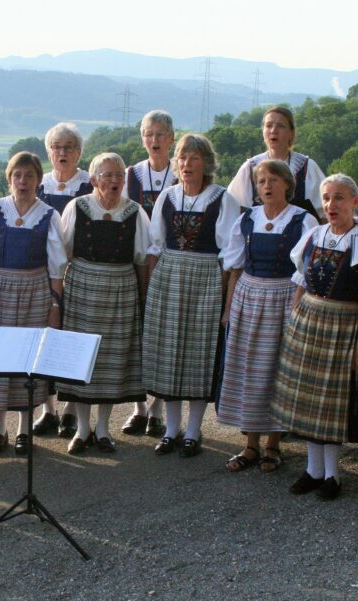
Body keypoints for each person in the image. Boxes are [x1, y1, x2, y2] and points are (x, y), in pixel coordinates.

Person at [271, 174, 358, 501]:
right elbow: (301, 282)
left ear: (355, 202)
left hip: (343, 323)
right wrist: (294, 319)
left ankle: (333, 475)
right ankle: (313, 469)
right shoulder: (314, 234)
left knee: (330, 403)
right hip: (308, 320)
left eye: (339, 198)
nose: (331, 205)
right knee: (307, 398)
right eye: (326, 198)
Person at [0, 151, 67, 456]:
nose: (23, 181)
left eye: (29, 175)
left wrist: (55, 307)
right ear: (9, 179)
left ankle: (24, 430)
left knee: (26, 364)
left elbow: (56, 268)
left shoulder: (49, 215)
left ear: (38, 180)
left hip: (34, 294)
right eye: (17, 175)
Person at [143, 133, 241, 458]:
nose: (187, 164)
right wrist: (152, 288)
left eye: (194, 158)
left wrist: (222, 295)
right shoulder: (168, 196)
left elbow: (230, 254)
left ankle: (193, 430)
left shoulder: (222, 199)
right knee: (169, 354)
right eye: (183, 158)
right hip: (169, 278)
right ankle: (171, 429)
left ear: (206, 163)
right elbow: (155, 245)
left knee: (199, 354)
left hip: (205, 279)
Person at [218, 159, 317, 473]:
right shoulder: (247, 219)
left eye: (273, 180)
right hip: (248, 297)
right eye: (261, 181)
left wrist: (300, 310)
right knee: (249, 369)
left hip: (285, 297)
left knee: (277, 371)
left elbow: (309, 271)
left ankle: (273, 445)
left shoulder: (303, 220)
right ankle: (250, 445)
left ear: (287, 184)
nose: (267, 186)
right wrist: (228, 309)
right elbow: (235, 268)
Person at [57, 153, 150, 453]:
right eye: (107, 175)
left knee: (111, 358)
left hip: (121, 288)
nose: (114, 180)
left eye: (119, 175)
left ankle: (103, 429)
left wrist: (143, 298)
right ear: (94, 179)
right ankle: (82, 429)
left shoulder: (135, 211)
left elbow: (142, 259)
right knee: (82, 358)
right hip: (82, 287)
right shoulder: (77, 207)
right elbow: (63, 252)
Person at [32, 122, 93, 439]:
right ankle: (48, 409)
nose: (63, 152)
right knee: (46, 338)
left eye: (69, 146)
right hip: (44, 274)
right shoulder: (38, 185)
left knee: (73, 340)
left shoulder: (90, 184)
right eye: (57, 147)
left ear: (79, 152)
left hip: (79, 273)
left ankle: (71, 409)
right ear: (48, 152)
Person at [121, 110, 177, 438]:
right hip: (135, 262)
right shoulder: (131, 174)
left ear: (171, 138)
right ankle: (139, 408)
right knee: (137, 334)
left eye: (160, 134)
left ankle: (157, 409)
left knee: (162, 336)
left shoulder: (180, 173)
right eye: (149, 134)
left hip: (169, 263)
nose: (154, 140)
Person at [227, 106, 326, 219]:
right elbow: (233, 209)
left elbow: (325, 213)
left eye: (281, 126)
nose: (273, 130)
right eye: (269, 125)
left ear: (291, 133)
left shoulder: (307, 168)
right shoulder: (250, 168)